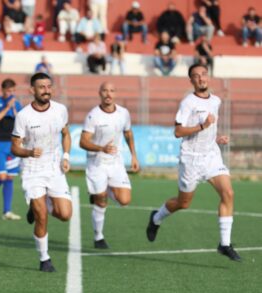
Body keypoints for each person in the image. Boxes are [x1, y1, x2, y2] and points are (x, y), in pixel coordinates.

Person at [146, 63, 240, 262]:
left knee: (228, 193)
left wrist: (216, 138)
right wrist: (202, 125)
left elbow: (208, 131)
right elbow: (178, 132)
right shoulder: (188, 103)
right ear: (191, 81)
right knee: (184, 203)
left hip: (211, 156)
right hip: (191, 160)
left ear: (208, 77)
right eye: (196, 76)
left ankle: (224, 244)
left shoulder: (216, 101)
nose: (201, 78)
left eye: (204, 74)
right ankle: (156, 218)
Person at [11, 72, 72, 272]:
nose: (46, 90)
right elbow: (14, 147)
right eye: (41, 87)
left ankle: (40, 205)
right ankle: (44, 258)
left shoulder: (60, 110)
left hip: (54, 167)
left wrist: (66, 157)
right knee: (42, 216)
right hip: (32, 169)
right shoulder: (24, 116)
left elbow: (66, 134)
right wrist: (28, 152)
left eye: (48, 86)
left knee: (65, 214)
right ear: (32, 90)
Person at [79, 82, 139, 249]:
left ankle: (99, 193)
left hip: (116, 163)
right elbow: (83, 142)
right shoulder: (93, 116)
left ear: (115, 93)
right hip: (96, 162)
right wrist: (101, 148)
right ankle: (98, 237)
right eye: (105, 90)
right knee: (102, 202)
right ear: (100, 93)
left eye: (112, 90)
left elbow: (128, 132)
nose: (108, 94)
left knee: (125, 200)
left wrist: (134, 156)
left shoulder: (123, 113)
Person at [0, 78, 23, 221]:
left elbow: (21, 122)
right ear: (2, 91)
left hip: (12, 143)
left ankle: (7, 211)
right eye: (9, 91)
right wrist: (7, 108)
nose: (11, 94)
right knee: (1, 176)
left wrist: (14, 109)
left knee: (10, 177)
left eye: (13, 91)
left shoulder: (17, 104)